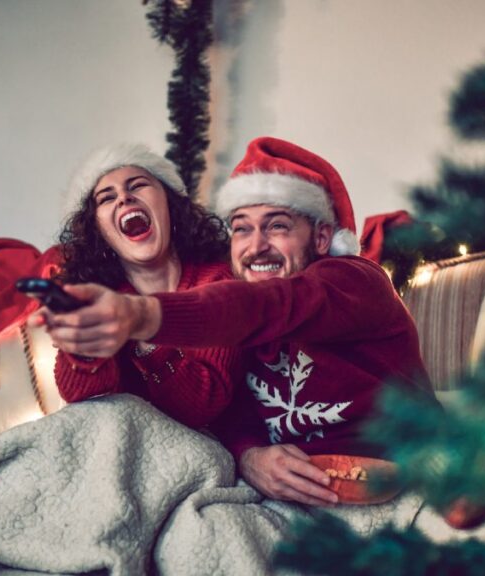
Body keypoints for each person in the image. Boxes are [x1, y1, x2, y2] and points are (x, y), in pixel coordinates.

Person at [45, 137, 434, 507]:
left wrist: (142, 315)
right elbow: (235, 411)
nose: (256, 245)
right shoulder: (240, 313)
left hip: (400, 469)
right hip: (295, 491)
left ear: (321, 238)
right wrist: (250, 456)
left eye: (277, 225)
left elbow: (266, 306)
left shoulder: (353, 281)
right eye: (242, 228)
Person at [39, 143, 239, 429]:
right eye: (107, 198)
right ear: (99, 231)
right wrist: (84, 345)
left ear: (169, 204)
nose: (124, 198)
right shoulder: (102, 296)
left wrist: (143, 329)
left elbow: (202, 407)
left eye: (138, 185)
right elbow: (81, 400)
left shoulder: (218, 282)